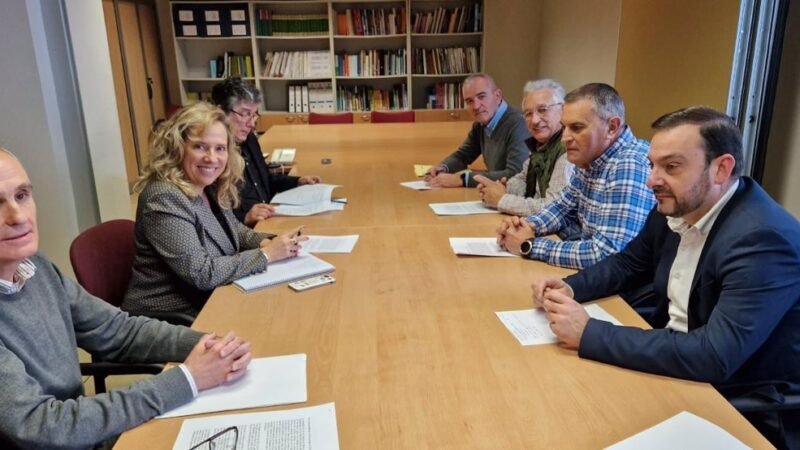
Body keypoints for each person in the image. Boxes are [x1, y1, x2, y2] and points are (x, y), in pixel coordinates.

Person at [531, 106, 800, 448]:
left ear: (721, 168)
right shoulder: (680, 203)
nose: (652, 180)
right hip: (675, 358)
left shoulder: (762, 239)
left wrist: (589, 333)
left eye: (671, 166)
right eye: (652, 165)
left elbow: (715, 356)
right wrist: (570, 286)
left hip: (736, 398)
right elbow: (628, 264)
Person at [0, 147, 253, 449]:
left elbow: (117, 330)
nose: (17, 216)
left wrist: (206, 345)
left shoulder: (36, 268)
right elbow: (43, 427)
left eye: (22, 195)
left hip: (86, 435)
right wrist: (187, 380)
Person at [122, 102, 306, 317]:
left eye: (220, 148)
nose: (212, 158)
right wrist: (266, 255)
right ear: (178, 148)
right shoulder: (164, 197)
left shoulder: (208, 185)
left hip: (213, 298)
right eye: (200, 146)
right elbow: (201, 273)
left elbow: (235, 231)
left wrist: (268, 242)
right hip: (171, 318)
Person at [497, 83, 653, 269]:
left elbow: (607, 254)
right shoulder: (590, 157)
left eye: (577, 128)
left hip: (627, 289)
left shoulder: (629, 164)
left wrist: (529, 245)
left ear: (612, 127)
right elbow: (562, 208)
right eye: (564, 127)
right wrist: (524, 227)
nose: (565, 138)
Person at [212, 78, 321, 227]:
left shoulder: (249, 139)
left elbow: (265, 180)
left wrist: (297, 181)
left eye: (254, 115)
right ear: (220, 112)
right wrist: (245, 217)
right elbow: (211, 217)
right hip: (247, 232)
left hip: (270, 218)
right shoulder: (213, 156)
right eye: (244, 114)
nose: (251, 123)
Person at [474, 79, 572, 216]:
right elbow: (522, 180)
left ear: (563, 109)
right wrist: (500, 188)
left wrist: (502, 199)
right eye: (528, 114)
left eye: (542, 110)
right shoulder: (539, 146)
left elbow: (554, 209)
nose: (534, 120)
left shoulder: (569, 151)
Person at [424, 73, 530, 188]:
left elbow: (515, 174)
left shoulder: (518, 124)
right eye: (469, 101)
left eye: (481, 97)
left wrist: (463, 179)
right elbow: (463, 156)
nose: (476, 106)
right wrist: (443, 167)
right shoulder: (481, 124)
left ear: (497, 96)